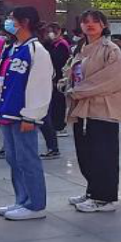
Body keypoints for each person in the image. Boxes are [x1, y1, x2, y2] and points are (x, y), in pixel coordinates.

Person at [63, 9, 121, 213]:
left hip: (103, 108)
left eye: (95, 21)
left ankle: (105, 197)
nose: (90, 24)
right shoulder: (80, 48)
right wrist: (65, 84)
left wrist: (78, 91)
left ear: (104, 25)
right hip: (81, 107)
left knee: (103, 154)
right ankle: (93, 190)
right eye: (85, 21)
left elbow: (112, 78)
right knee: (86, 153)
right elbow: (69, 71)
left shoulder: (111, 49)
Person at [0, 6, 53, 220]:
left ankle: (35, 204)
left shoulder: (36, 50)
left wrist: (31, 115)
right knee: (14, 159)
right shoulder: (11, 48)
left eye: (11, 19)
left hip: (23, 114)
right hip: (7, 111)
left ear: (24, 21)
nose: (8, 23)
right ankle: (22, 199)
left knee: (28, 159)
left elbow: (40, 85)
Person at [39, 23, 71, 158]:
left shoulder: (62, 45)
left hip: (58, 79)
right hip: (50, 80)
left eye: (52, 31)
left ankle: (59, 126)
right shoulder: (51, 44)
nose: (50, 34)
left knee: (57, 106)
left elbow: (57, 61)